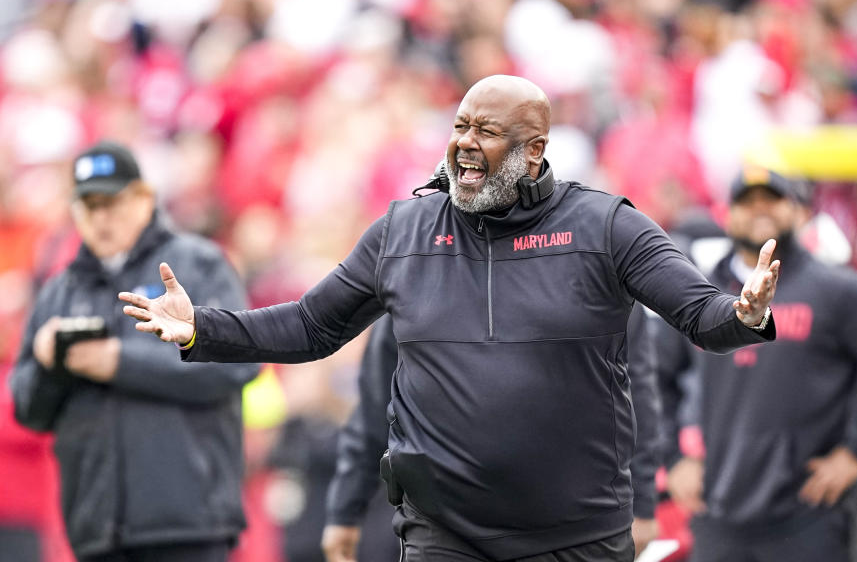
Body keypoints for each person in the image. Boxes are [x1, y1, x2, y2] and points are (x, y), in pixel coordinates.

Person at [119, 74, 780, 562]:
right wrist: (205, 327)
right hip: (445, 536)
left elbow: (699, 313)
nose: (465, 143)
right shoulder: (403, 229)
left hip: (575, 535)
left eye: (486, 132)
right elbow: (312, 325)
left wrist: (742, 312)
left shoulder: (604, 225)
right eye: (460, 126)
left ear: (534, 148)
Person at [657, 166, 857, 562]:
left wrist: (855, 451)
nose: (760, 210)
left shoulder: (838, 291)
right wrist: (674, 459)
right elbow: (654, 375)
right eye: (747, 202)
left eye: (773, 200)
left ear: (800, 212)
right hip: (717, 511)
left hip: (807, 516)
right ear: (726, 215)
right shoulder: (699, 293)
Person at [10, 141, 259, 562]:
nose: (101, 217)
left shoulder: (197, 265)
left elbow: (241, 360)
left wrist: (119, 362)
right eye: (89, 206)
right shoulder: (60, 290)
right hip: (97, 530)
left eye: (112, 203)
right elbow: (28, 410)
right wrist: (47, 363)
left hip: (189, 523)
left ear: (144, 199)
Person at [320, 306, 662, 562]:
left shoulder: (598, 253)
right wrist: (345, 508)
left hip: (573, 521)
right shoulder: (418, 268)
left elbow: (636, 395)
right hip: (447, 525)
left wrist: (643, 503)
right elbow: (376, 402)